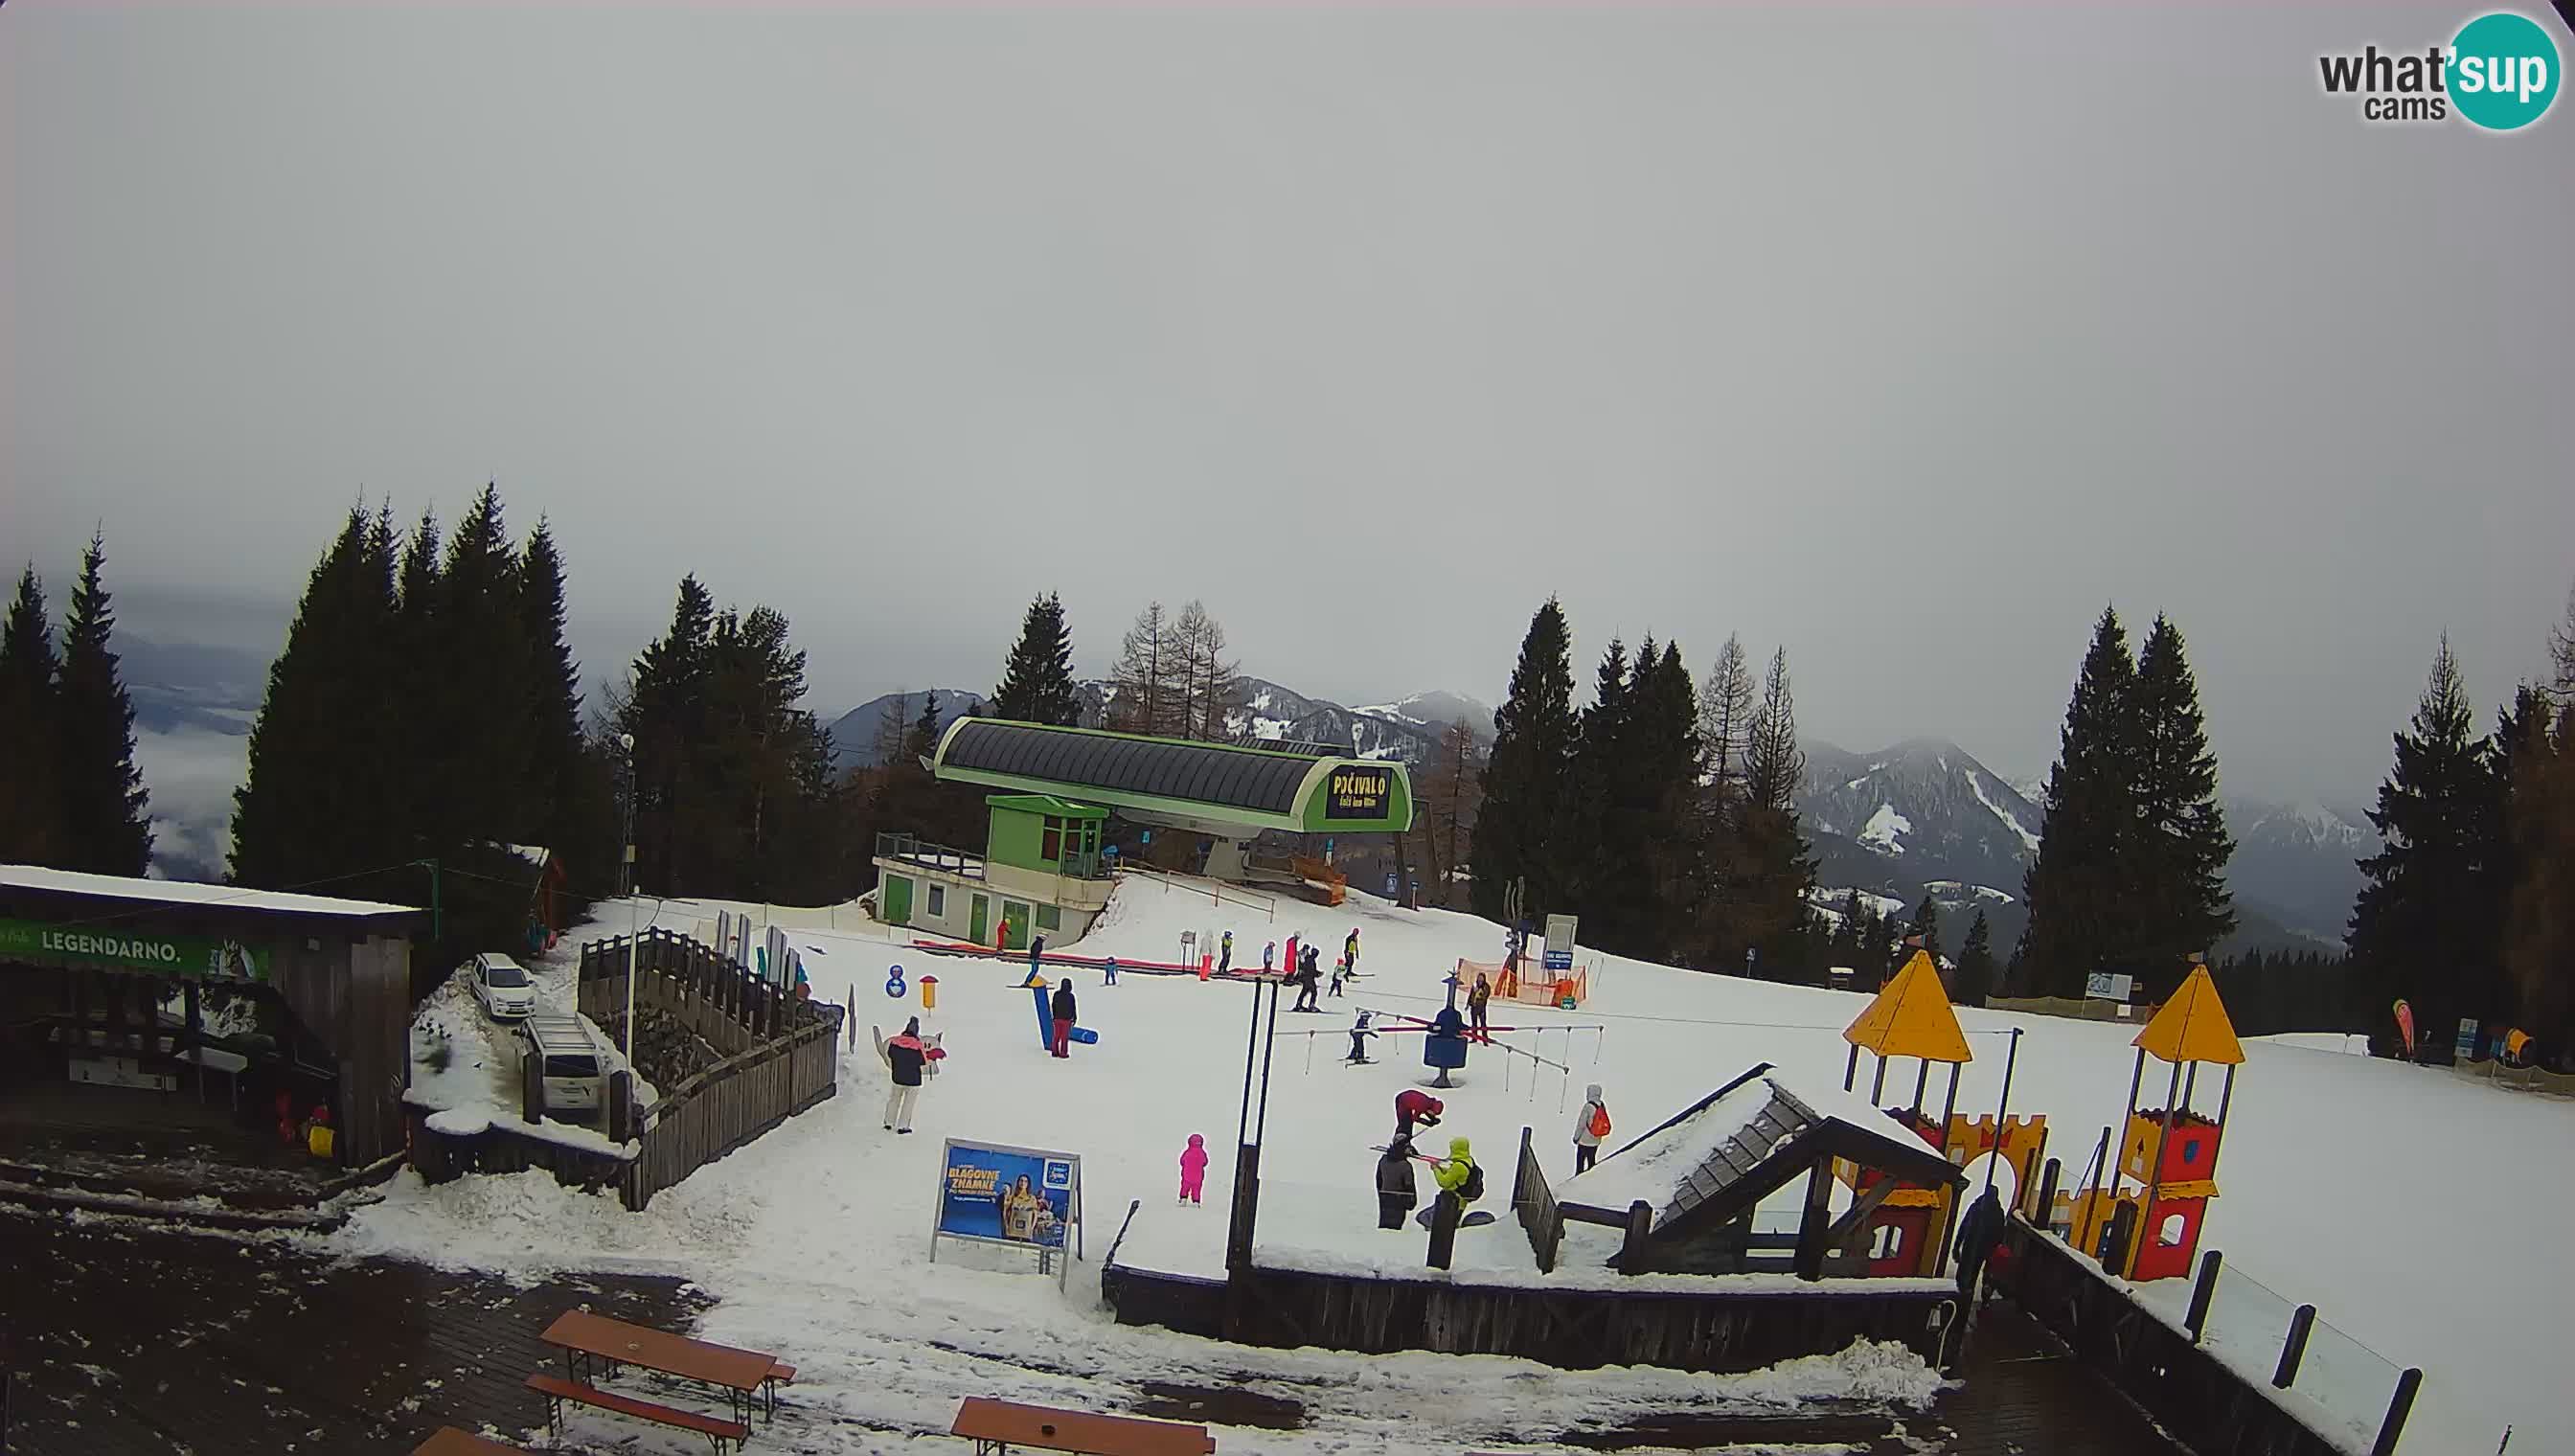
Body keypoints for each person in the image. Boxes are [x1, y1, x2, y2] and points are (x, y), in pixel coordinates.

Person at [883, 1015, 944, 1133]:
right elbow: (923, 1061)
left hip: (897, 1077)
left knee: (894, 1099)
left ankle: (888, 1122)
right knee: (908, 1103)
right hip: (913, 1080)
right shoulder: (917, 1045)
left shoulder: (895, 1042)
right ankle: (903, 1126)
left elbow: (890, 1054)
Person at [1426, 1135, 1478, 1268]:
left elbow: (1444, 1182)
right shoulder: (1467, 1160)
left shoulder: (1458, 1166)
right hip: (1461, 1200)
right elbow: (1455, 1176)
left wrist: (1435, 1169)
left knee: (1446, 1231)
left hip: (1453, 1202)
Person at [1953, 1184, 2008, 1304]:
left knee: (1964, 1276)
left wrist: (1956, 1247)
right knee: (1975, 1277)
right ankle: (1972, 1300)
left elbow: (1964, 1227)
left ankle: (1960, 1299)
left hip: (1971, 1247)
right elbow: (2000, 1234)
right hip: (1985, 1250)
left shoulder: (1976, 1208)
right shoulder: (1997, 1212)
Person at [1377, 1132, 1419, 1229]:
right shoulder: (1405, 1165)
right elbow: (1409, 1185)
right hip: (1400, 1198)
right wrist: (1412, 1201)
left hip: (1385, 1196)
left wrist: (1381, 1192)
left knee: (1385, 1225)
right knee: (1395, 1227)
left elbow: (1379, 1180)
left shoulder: (1383, 1160)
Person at [1573, 1083, 1609, 1173]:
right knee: (1591, 1163)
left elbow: (1581, 1125)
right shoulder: (1601, 1105)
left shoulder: (1588, 1106)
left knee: (1580, 1164)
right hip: (1596, 1140)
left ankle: (1576, 1183)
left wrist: (1576, 1138)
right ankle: (1591, 1180)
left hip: (1584, 1141)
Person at [1049, 976, 1078, 1058]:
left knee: (1056, 1036)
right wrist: (1074, 1017)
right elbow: (1073, 1008)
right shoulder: (1071, 996)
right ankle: (1063, 1053)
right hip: (1066, 1019)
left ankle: (1054, 1051)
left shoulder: (1056, 994)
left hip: (1057, 1018)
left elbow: (1053, 1005)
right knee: (1064, 1037)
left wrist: (1054, 1016)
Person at [1178, 1133, 1209, 1205]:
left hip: (1186, 1175)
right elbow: (1205, 1162)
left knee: (1185, 1187)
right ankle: (1196, 1201)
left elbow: (1182, 1161)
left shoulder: (1187, 1152)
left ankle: (1183, 1198)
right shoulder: (1202, 1153)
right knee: (1196, 1189)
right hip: (1198, 1176)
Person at [1469, 972, 1493, 1043]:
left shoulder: (1486, 986)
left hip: (1481, 1008)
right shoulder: (1475, 985)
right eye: (1479, 977)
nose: (1480, 979)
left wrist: (1479, 993)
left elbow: (1485, 996)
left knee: (1483, 1023)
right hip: (1474, 1007)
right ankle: (1474, 1037)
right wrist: (1469, 1003)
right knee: (1474, 1023)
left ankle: (1484, 1039)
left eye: (1481, 978)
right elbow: (1471, 994)